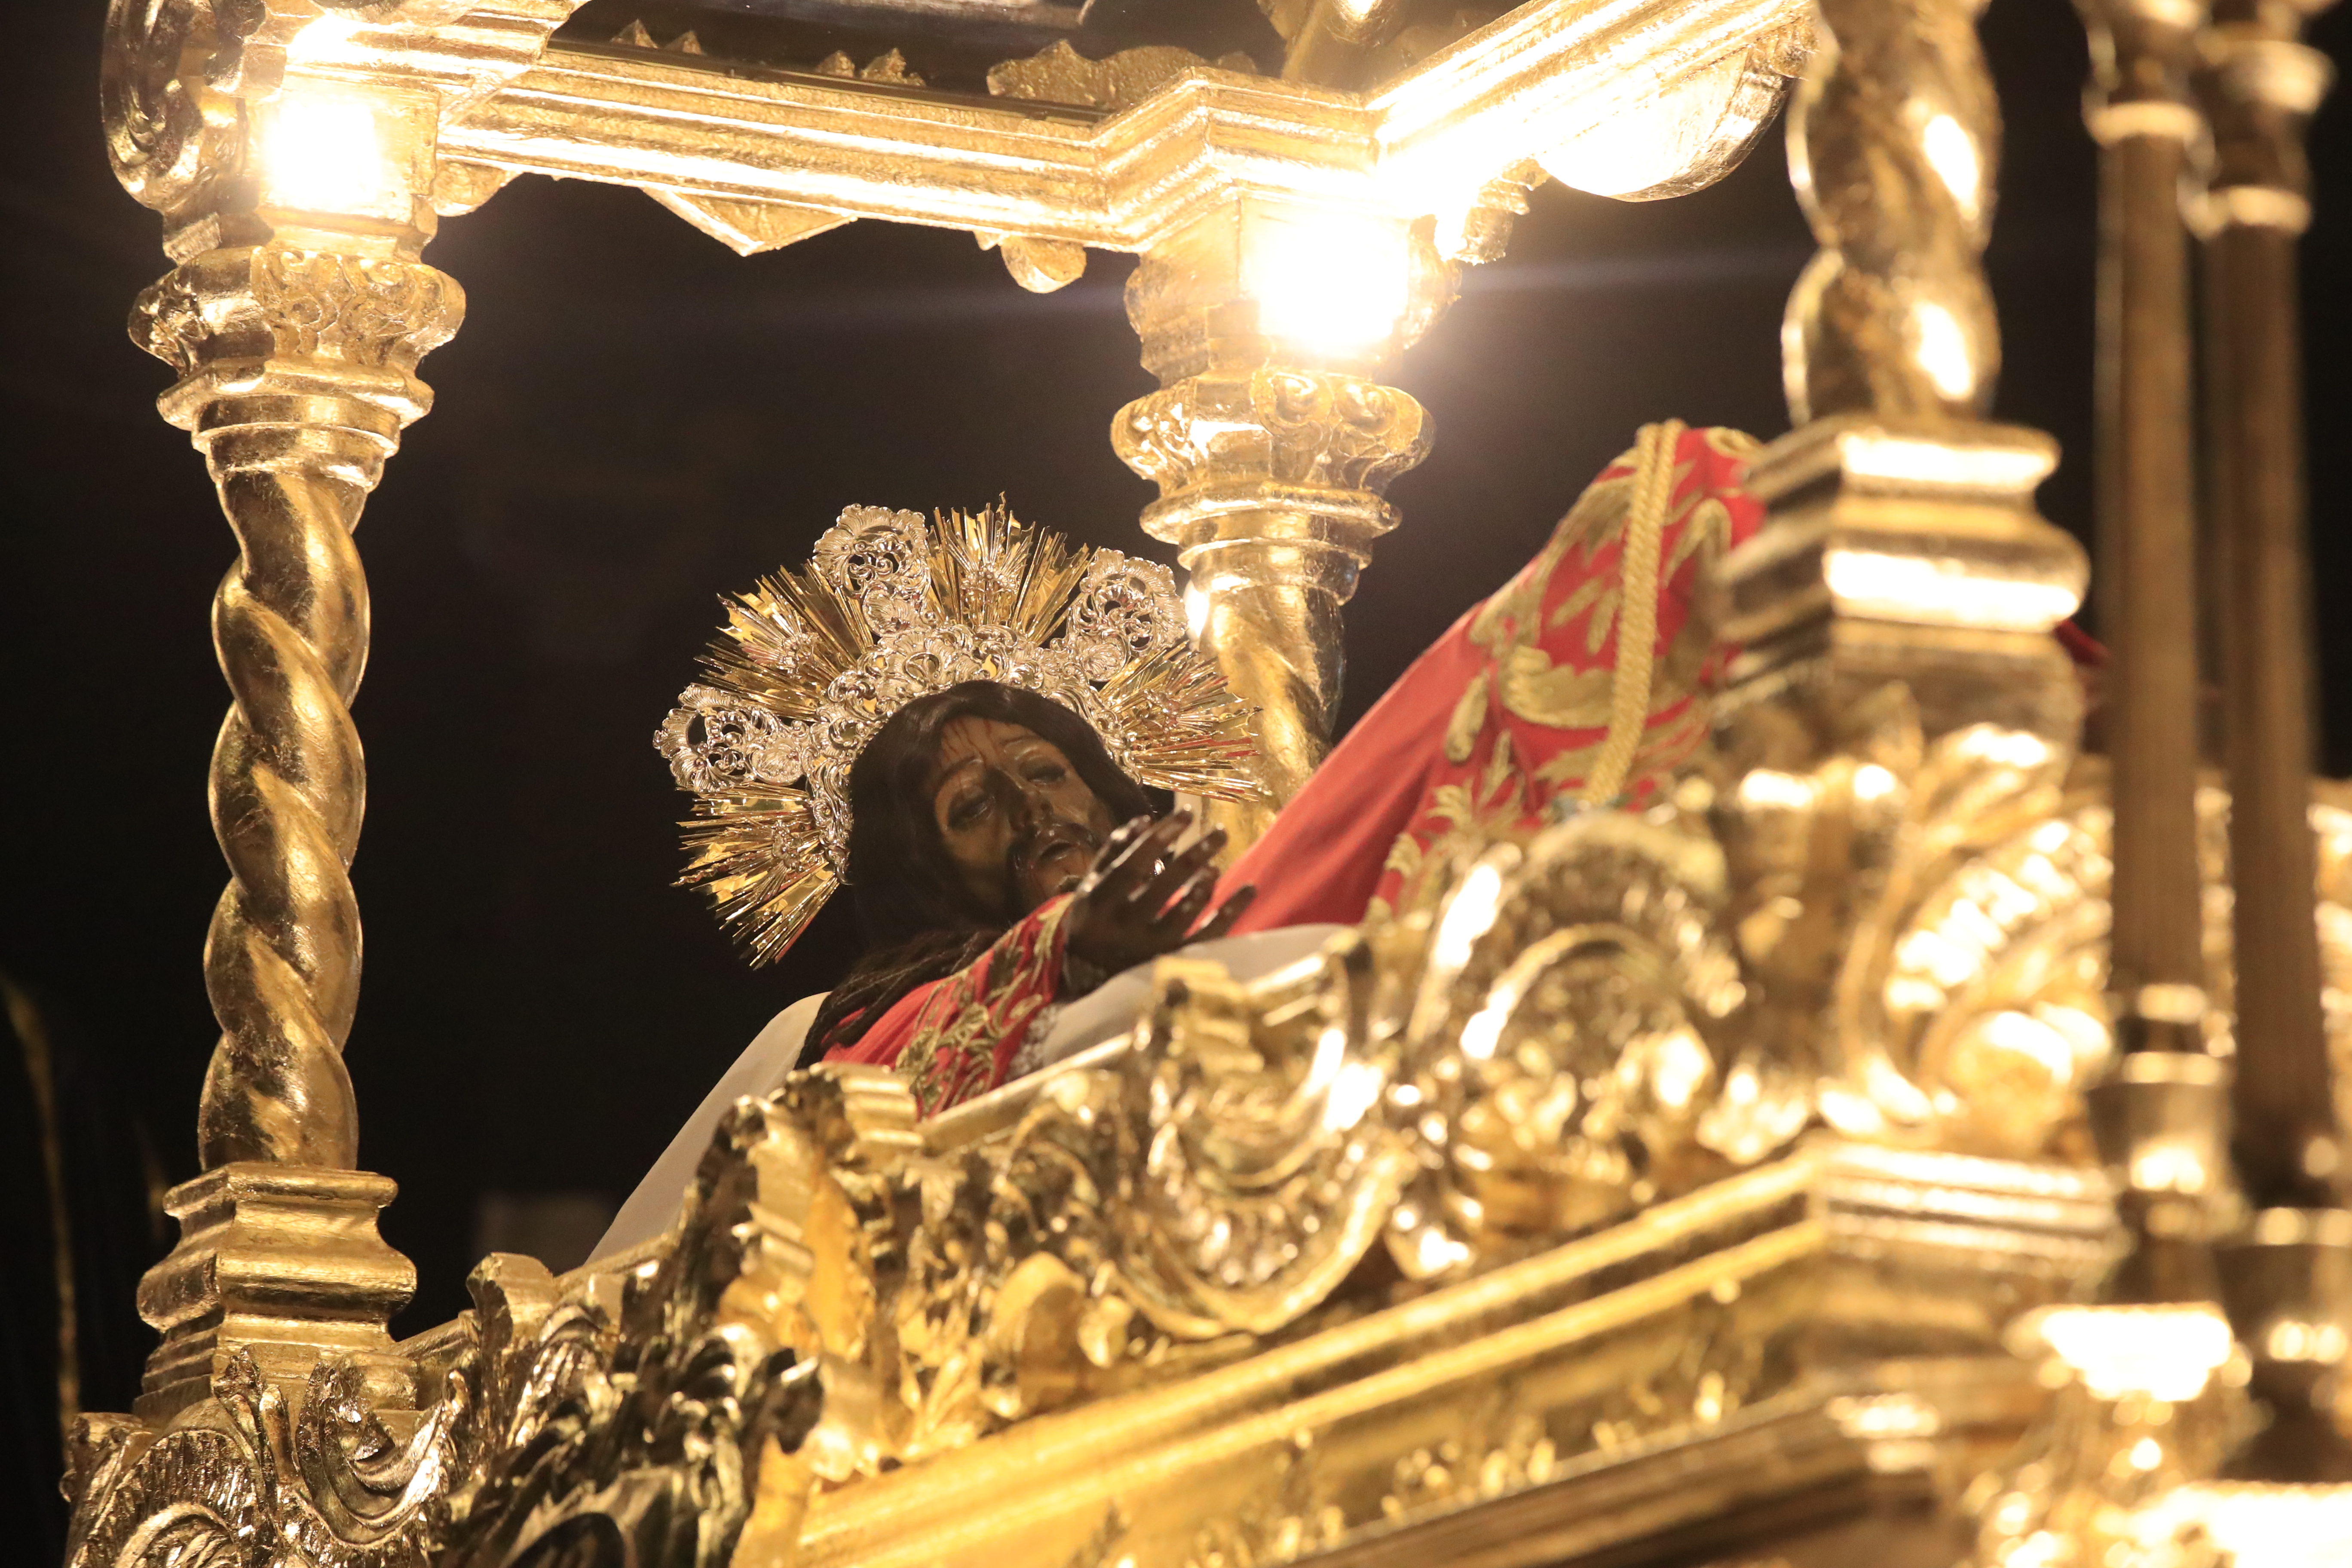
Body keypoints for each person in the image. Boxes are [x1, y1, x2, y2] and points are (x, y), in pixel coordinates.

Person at [596, 422, 1769, 1258]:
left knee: (1624, 547)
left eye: (1046, 774)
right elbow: (825, 1126)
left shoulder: (1219, 885)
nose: (1033, 813)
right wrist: (1064, 956)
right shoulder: (846, 1022)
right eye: (972, 809)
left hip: (1263, 915)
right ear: (919, 875)